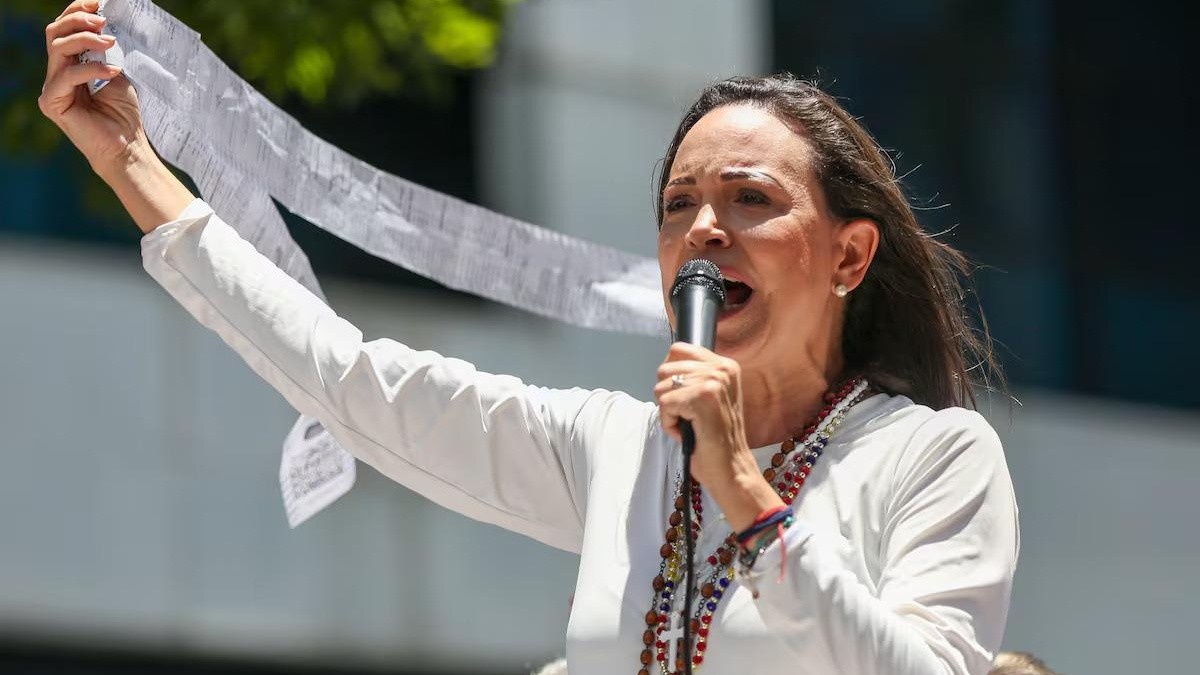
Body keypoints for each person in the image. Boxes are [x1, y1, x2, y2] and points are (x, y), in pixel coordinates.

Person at [39, 1, 1020, 673]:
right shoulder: (617, 451)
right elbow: (351, 379)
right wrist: (131, 160)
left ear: (850, 257)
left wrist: (744, 488)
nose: (705, 231)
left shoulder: (930, 456)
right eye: (680, 206)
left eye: (751, 200)